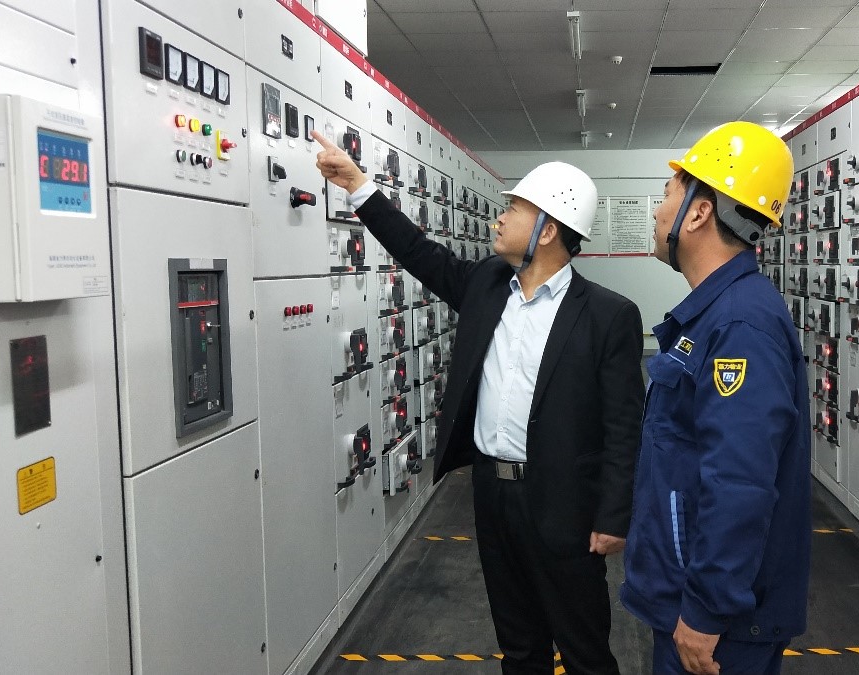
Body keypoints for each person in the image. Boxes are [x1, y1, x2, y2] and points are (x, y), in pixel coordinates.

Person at [313, 132, 645, 675]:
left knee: (584, 651)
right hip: (493, 491)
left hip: (564, 500)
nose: (498, 219)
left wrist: (614, 516)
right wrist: (358, 186)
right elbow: (419, 252)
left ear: (548, 230)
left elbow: (624, 425)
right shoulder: (488, 284)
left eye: (514, 210)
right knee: (519, 648)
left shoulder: (609, 314)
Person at [620, 121, 812, 675]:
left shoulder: (739, 326)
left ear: (699, 213)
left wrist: (707, 609)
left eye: (667, 194)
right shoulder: (718, 316)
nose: (658, 211)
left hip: (715, 622)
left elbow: (739, 482)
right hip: (691, 597)